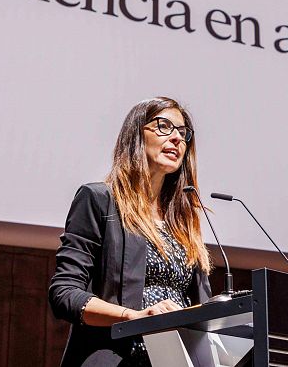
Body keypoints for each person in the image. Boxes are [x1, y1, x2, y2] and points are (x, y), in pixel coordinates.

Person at [49, 97, 213, 366]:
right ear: (136, 134)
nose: (176, 139)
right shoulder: (99, 199)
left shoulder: (184, 220)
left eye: (182, 133)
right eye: (163, 126)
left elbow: (200, 304)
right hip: (120, 356)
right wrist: (133, 316)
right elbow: (64, 293)